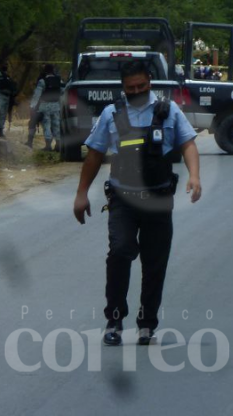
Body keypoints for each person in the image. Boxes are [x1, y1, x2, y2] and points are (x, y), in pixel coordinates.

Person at [72, 61, 202, 346]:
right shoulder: (111, 114)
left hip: (158, 200)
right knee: (120, 252)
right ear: (123, 88)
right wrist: (81, 193)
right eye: (130, 88)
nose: (136, 91)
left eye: (141, 86)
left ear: (150, 83)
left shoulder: (168, 112)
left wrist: (194, 175)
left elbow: (188, 144)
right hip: (123, 199)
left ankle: (146, 324)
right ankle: (114, 320)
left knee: (154, 263)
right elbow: (94, 155)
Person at [29, 64, 63, 151]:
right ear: (53, 70)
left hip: (45, 105)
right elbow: (64, 91)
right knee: (56, 125)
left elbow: (37, 95)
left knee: (46, 125)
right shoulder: (59, 80)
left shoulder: (42, 81)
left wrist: (32, 106)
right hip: (56, 105)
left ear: (45, 71)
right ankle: (58, 145)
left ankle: (48, 146)